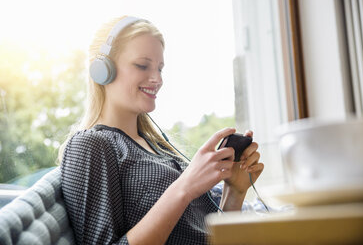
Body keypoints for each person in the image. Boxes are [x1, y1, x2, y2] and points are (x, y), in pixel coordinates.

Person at [59, 15, 264, 245]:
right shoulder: (90, 145)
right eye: (142, 65)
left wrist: (234, 192)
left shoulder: (156, 145)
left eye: (160, 68)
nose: (157, 79)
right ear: (102, 69)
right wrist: (185, 187)